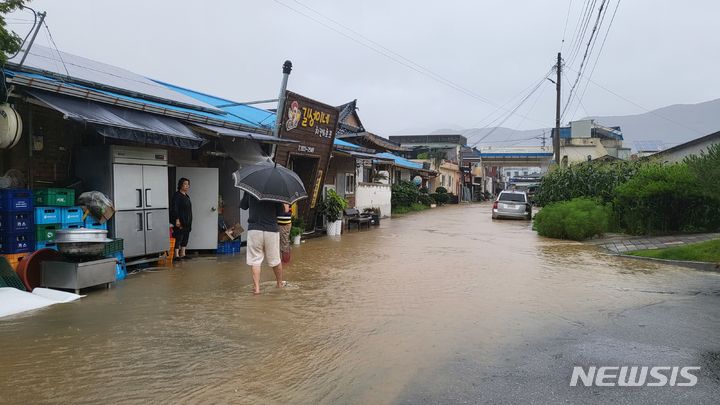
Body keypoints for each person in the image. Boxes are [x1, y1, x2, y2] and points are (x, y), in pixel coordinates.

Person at [240, 192, 285, 294]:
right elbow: (281, 213)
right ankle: (279, 283)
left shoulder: (250, 188)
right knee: (275, 259)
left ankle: (256, 289)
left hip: (254, 230)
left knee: (255, 260)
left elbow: (243, 206)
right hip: (271, 230)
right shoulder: (275, 190)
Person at [170, 177, 192, 261]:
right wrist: (177, 219)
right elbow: (174, 208)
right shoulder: (177, 195)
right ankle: (176, 255)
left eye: (188, 184)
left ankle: (183, 253)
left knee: (185, 236)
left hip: (187, 221)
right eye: (185, 184)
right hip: (180, 220)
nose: (187, 186)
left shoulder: (186, 196)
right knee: (178, 236)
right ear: (180, 185)